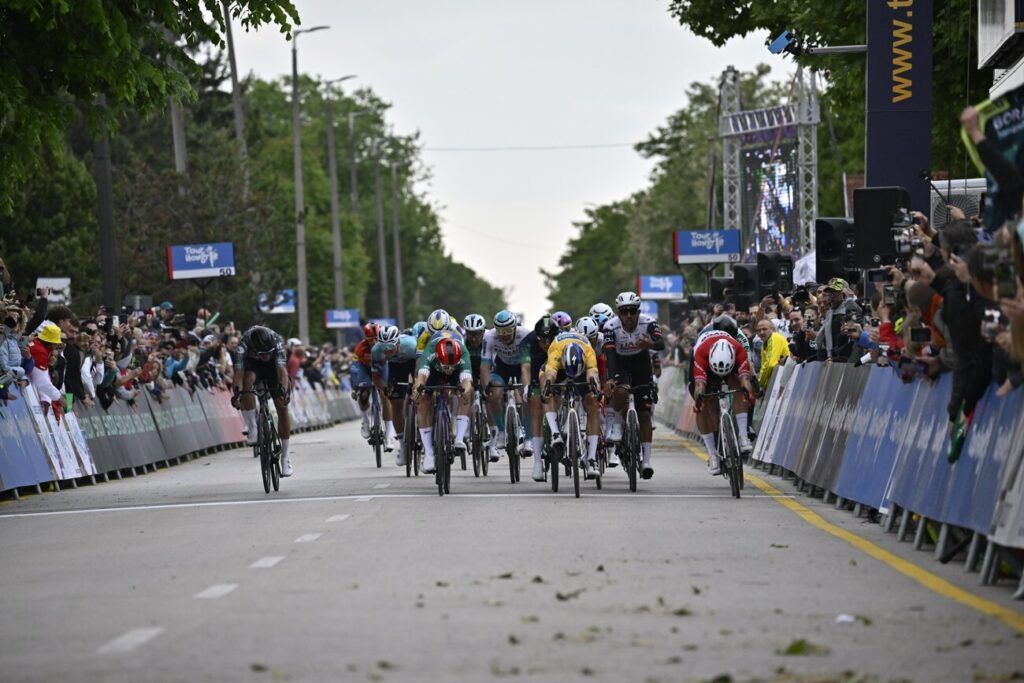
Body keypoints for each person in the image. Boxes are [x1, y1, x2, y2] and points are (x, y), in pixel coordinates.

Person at [602, 291, 664, 479]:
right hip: (619, 362)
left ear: (638, 311)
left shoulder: (648, 322)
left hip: (641, 363)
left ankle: (646, 461)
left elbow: (660, 343)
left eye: (632, 311)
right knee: (620, 391)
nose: (629, 316)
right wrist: (611, 378)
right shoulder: (610, 327)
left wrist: (650, 344)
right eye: (624, 312)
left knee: (644, 414)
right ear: (618, 313)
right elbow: (610, 356)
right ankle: (619, 425)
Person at [689, 328, 756, 476]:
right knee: (702, 405)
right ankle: (713, 454)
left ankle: (743, 435)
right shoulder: (700, 353)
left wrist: (748, 393)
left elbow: (745, 380)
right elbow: (700, 385)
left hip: (731, 364)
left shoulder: (738, 350)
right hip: (705, 364)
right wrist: (699, 399)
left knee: (741, 389)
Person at [231, 325, 293, 476]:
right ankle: (252, 427)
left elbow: (282, 373)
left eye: (268, 353)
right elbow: (238, 374)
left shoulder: (277, 342)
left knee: (282, 407)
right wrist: (237, 394)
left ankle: (285, 458)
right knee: (247, 381)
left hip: (273, 368)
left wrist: (283, 391)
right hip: (253, 365)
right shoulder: (243, 345)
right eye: (262, 354)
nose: (265, 356)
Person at [542, 326, 601, 479]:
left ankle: (592, 459)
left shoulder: (588, 352)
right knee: (546, 384)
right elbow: (551, 373)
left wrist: (595, 390)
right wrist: (548, 387)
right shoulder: (555, 349)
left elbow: (592, 374)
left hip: (582, 369)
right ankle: (555, 432)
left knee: (592, 403)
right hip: (560, 368)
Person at [412, 336, 474, 475]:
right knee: (423, 399)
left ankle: (459, 439)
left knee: (468, 395)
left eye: (453, 365)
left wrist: (463, 391)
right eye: (447, 366)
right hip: (433, 372)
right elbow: (420, 379)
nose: (450, 369)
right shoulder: (430, 353)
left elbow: (467, 381)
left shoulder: (463, 353)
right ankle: (428, 454)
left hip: (456, 375)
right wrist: (416, 393)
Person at [480, 309, 531, 462]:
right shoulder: (489, 336)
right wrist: (485, 388)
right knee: (493, 395)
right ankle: (501, 431)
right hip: (502, 367)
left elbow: (526, 366)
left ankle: (528, 438)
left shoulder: (525, 334)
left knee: (527, 396)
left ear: (515, 327)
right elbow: (485, 366)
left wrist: (526, 387)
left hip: (522, 364)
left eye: (508, 330)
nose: (504, 335)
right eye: (500, 331)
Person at [371, 325, 415, 465]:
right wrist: (384, 389)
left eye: (390, 346)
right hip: (396, 367)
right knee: (395, 404)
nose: (387, 351)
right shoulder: (376, 351)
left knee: (423, 396)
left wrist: (417, 384)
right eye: (383, 347)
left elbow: (422, 366)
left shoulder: (411, 345)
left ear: (398, 343)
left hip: (414, 361)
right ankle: (403, 446)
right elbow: (376, 377)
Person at [351, 323, 396, 452]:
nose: (375, 342)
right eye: (371, 340)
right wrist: (355, 387)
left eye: (377, 338)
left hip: (381, 368)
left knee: (385, 396)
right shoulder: (360, 348)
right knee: (364, 393)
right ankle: (365, 421)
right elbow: (354, 368)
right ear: (366, 339)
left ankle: (389, 435)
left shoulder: (385, 345)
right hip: (365, 370)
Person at [524, 314, 559, 480]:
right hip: (535, 374)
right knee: (536, 407)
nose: (546, 345)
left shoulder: (561, 341)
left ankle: (559, 430)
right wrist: (526, 388)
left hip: (557, 372)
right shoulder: (529, 341)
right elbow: (525, 367)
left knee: (558, 396)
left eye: (549, 340)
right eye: (542, 341)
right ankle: (537, 462)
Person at [755, 318, 790, 389]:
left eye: (765, 329)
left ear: (773, 329)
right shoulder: (763, 345)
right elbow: (763, 366)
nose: (761, 332)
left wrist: (760, 383)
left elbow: (771, 364)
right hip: (778, 379)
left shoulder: (775, 337)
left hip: (787, 377)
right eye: (759, 330)